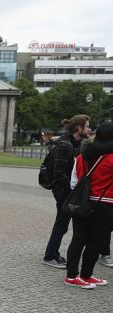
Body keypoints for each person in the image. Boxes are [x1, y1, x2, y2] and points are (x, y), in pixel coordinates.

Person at [64, 121, 113, 288]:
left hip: (81, 202)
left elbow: (73, 183)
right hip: (105, 203)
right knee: (96, 241)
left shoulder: (81, 156)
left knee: (78, 239)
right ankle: (86, 274)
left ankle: (71, 275)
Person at [42, 115, 90, 268]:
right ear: (79, 128)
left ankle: (53, 253)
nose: (89, 129)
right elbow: (59, 173)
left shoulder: (75, 143)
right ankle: (50, 256)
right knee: (61, 223)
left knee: (62, 223)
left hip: (68, 190)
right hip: (63, 191)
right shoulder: (65, 145)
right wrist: (72, 190)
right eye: (87, 126)